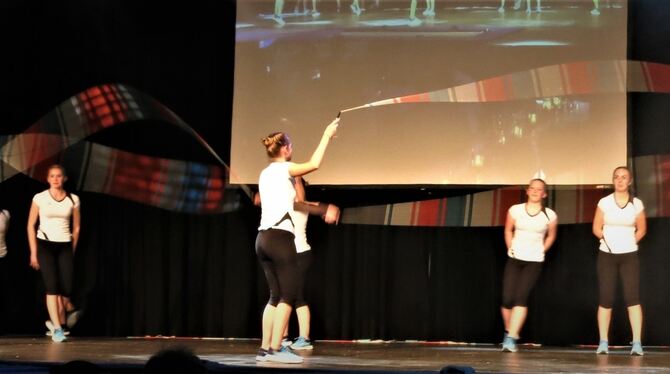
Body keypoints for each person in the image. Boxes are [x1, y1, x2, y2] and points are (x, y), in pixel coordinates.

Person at [255, 117, 339, 364]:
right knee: (288, 295)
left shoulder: (265, 173)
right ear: (284, 149)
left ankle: (264, 349)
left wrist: (320, 208)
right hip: (280, 238)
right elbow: (314, 163)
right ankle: (275, 349)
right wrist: (327, 134)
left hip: (262, 239)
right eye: (290, 145)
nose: (292, 149)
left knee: (274, 296)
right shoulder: (283, 169)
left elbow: (295, 202)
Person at [592, 166, 646, 356]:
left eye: (624, 177)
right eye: (616, 177)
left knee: (633, 298)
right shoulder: (604, 202)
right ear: (613, 180)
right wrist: (608, 242)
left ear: (629, 181)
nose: (620, 180)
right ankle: (603, 342)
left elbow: (641, 229)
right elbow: (597, 228)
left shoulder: (636, 203)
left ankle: (637, 343)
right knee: (606, 298)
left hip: (629, 255)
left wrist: (629, 242)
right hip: (607, 254)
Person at [282, 176, 340, 350]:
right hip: (284, 255)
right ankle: (282, 336)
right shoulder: (282, 202)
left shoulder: (303, 204)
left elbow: (313, 204)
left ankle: (304, 338)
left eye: (296, 184)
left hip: (301, 254)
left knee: (298, 296)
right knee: (281, 297)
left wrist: (329, 209)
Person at [501, 178, 558, 353]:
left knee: (520, 298)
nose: (534, 191)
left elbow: (551, 236)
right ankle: (509, 331)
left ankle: (511, 338)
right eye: (532, 188)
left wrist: (542, 250)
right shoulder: (515, 210)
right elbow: (508, 230)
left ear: (544, 194)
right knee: (507, 299)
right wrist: (510, 246)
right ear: (527, 191)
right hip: (515, 258)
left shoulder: (550, 215)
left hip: (534, 261)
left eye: (538, 189)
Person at [27, 165, 81, 343]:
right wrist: (34, 253)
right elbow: (30, 225)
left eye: (59, 176)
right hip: (44, 245)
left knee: (67, 288)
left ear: (64, 178)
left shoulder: (73, 199)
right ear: (48, 179)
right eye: (52, 176)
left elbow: (77, 227)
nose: (56, 179)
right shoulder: (40, 198)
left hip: (65, 245)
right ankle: (58, 329)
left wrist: (71, 248)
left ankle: (58, 318)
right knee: (52, 286)